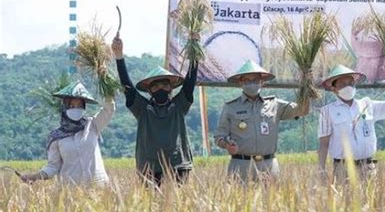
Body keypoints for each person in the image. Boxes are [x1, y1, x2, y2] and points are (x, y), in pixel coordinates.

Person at [112, 34, 197, 187]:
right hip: (149, 168)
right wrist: (119, 56)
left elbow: (190, 82)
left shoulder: (179, 105)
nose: (160, 89)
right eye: (155, 86)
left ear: (171, 87)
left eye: (164, 84)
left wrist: (194, 48)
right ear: (149, 90)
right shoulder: (142, 108)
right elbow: (127, 86)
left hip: (178, 166)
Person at [214, 60, 309, 182]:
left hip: (268, 164)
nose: (251, 83)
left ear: (262, 82)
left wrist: (306, 86)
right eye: (247, 80)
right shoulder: (231, 107)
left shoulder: (274, 104)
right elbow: (219, 137)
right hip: (241, 165)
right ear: (240, 83)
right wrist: (227, 145)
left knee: (272, 200)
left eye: (255, 80)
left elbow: (302, 110)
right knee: (240, 200)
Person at [318, 65, 385, 183]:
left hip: (368, 167)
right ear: (333, 88)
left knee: (371, 200)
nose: (348, 87)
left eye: (350, 83)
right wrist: (321, 169)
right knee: (346, 200)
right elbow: (324, 144)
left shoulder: (367, 104)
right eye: (342, 84)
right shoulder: (327, 111)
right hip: (343, 168)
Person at [21, 81, 115, 185]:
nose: (76, 109)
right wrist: (34, 177)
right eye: (72, 105)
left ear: (84, 107)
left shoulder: (92, 125)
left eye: (79, 105)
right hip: (70, 189)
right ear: (65, 107)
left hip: (98, 185)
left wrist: (108, 90)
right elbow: (53, 167)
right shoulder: (56, 137)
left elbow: (108, 110)